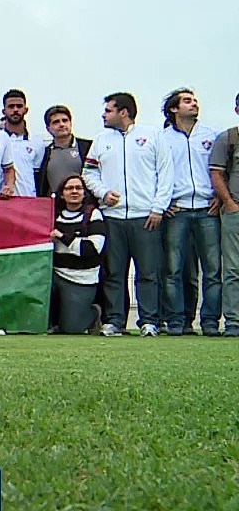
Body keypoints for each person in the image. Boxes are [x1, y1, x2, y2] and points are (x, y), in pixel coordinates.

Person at [82, 92, 173, 337]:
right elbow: (88, 173)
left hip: (146, 216)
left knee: (148, 273)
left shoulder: (152, 135)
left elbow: (166, 173)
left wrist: (158, 208)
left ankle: (149, 321)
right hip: (113, 217)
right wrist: (103, 193)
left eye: (108, 110)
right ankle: (115, 321)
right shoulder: (101, 139)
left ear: (123, 112)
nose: (103, 115)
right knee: (114, 272)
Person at [159, 88, 220, 336]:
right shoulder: (162, 138)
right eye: (187, 101)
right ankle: (176, 321)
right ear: (174, 109)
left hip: (207, 209)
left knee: (212, 270)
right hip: (177, 210)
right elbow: (156, 173)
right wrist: (162, 203)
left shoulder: (211, 135)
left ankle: (210, 322)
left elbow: (220, 170)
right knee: (173, 270)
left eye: (195, 100)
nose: (194, 104)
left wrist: (219, 196)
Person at [50, 175, 106, 334]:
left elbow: (92, 249)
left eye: (78, 188)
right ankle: (52, 321)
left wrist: (63, 237)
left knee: (71, 329)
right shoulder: (52, 215)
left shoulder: (93, 214)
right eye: (69, 188)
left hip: (82, 279)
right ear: (62, 194)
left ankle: (94, 314)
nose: (74, 191)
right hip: (55, 274)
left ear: (84, 193)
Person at [208, 92, 239, 336]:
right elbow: (216, 173)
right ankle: (234, 322)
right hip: (236, 211)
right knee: (233, 269)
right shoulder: (228, 138)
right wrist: (229, 203)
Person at [36, 105, 93, 201]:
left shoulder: (88, 147)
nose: (61, 124)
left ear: (71, 123)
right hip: (56, 205)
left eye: (65, 120)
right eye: (56, 122)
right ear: (48, 128)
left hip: (83, 204)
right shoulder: (44, 153)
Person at [2, 89, 44, 197]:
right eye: (11, 107)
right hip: (0, 199)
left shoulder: (37, 142)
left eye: (19, 106)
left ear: (26, 110)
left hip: (27, 199)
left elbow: (37, 175)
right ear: (4, 111)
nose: (15, 110)